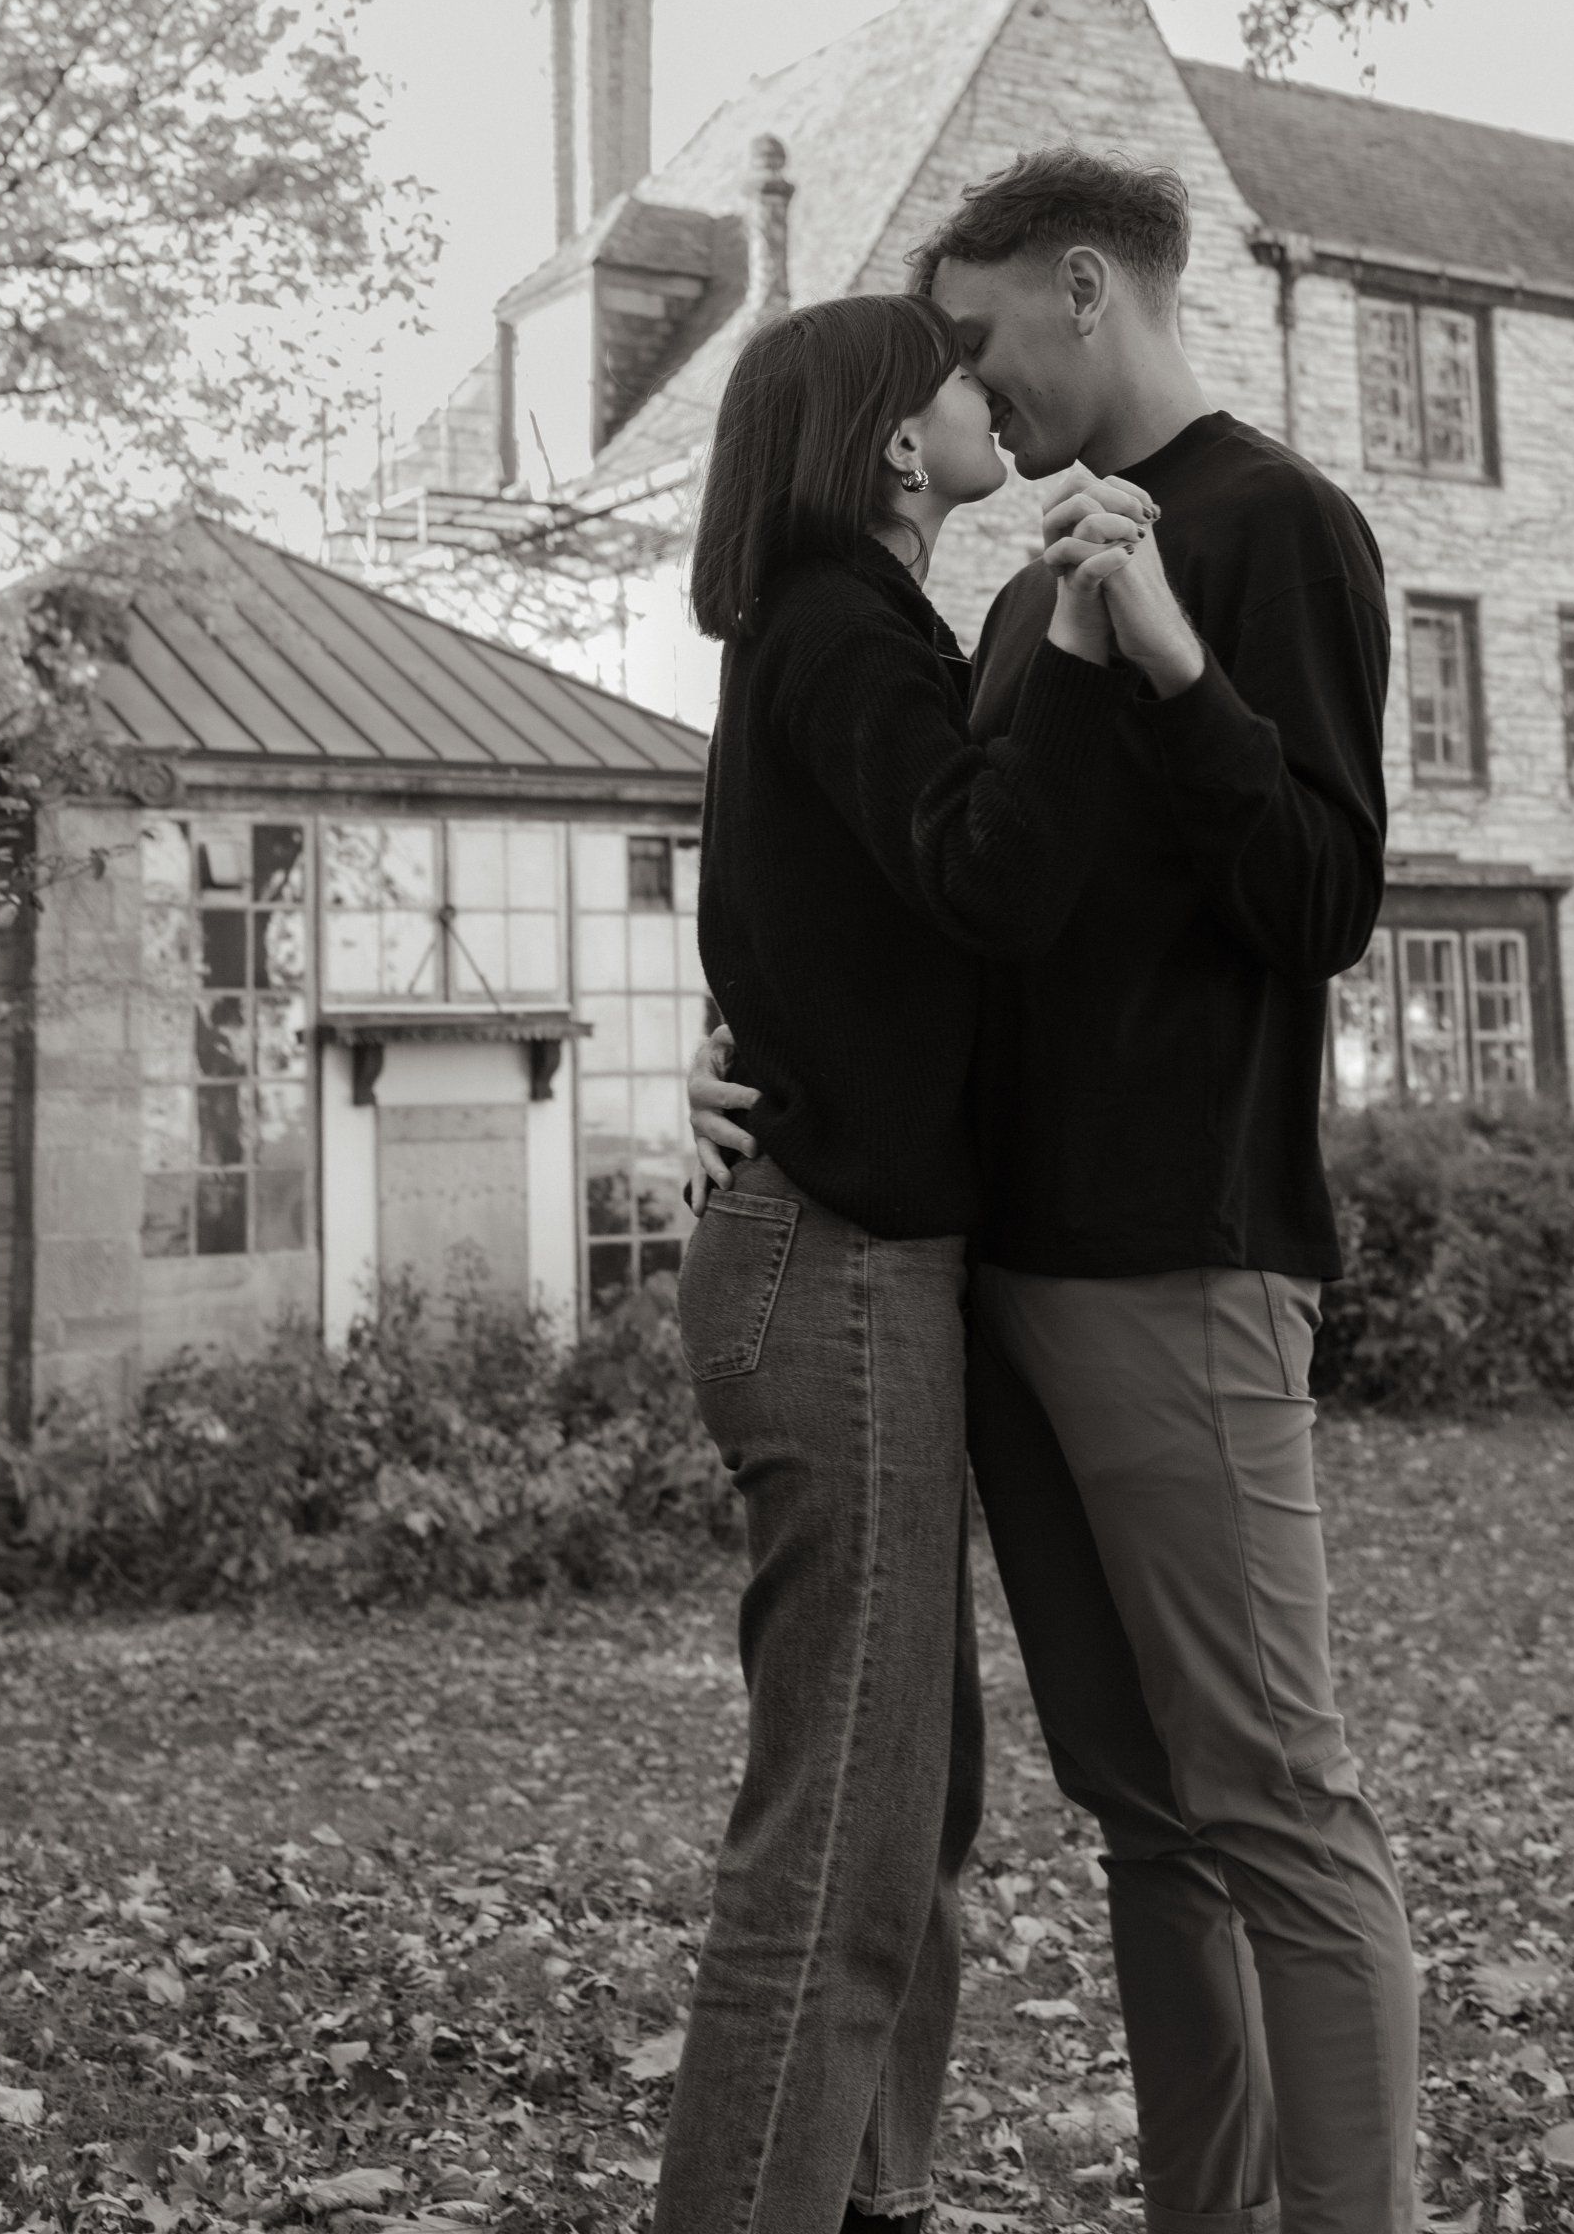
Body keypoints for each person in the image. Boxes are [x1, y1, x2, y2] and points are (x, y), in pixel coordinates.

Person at [692, 152, 1418, 2234]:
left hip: (1181, 1255)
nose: (971, 381)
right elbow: (929, 895)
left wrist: (1179, 666)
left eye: (980, 331)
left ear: (1084, 288)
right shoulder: (1017, 595)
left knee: (1274, 1803)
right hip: (980, 1277)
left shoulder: (1275, 527)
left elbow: (1323, 900)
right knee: (1143, 1815)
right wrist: (744, 1049)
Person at [655, 288, 1144, 2234]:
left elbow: (819, 939)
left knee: (907, 1799)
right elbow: (989, 874)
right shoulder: (842, 629)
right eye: (955, 375)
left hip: (848, 1265)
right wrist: (1090, 650)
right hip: (833, 1271)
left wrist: (729, 1051)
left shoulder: (842, 630)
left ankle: (875, 2194)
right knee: (843, 1833)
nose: (985, 394)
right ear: (889, 441)